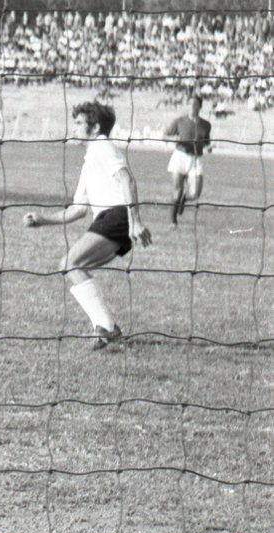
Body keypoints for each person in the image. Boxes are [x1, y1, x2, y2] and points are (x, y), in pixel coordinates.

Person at [23, 99, 151, 351]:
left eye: (80, 122)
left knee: (70, 263)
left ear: (96, 127)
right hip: (110, 219)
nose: (74, 127)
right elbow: (78, 209)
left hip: (117, 217)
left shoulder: (102, 146)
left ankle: (108, 328)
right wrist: (43, 220)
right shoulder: (90, 157)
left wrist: (135, 221)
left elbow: (127, 180)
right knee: (71, 266)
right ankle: (104, 329)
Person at [162, 93, 212, 224]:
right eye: (189, 103)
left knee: (195, 193)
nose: (192, 106)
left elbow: (206, 142)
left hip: (196, 159)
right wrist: (173, 138)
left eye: (195, 104)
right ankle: (173, 221)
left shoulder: (206, 125)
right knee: (177, 190)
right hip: (180, 157)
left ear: (200, 107)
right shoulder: (179, 121)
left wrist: (208, 148)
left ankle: (184, 199)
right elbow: (164, 136)